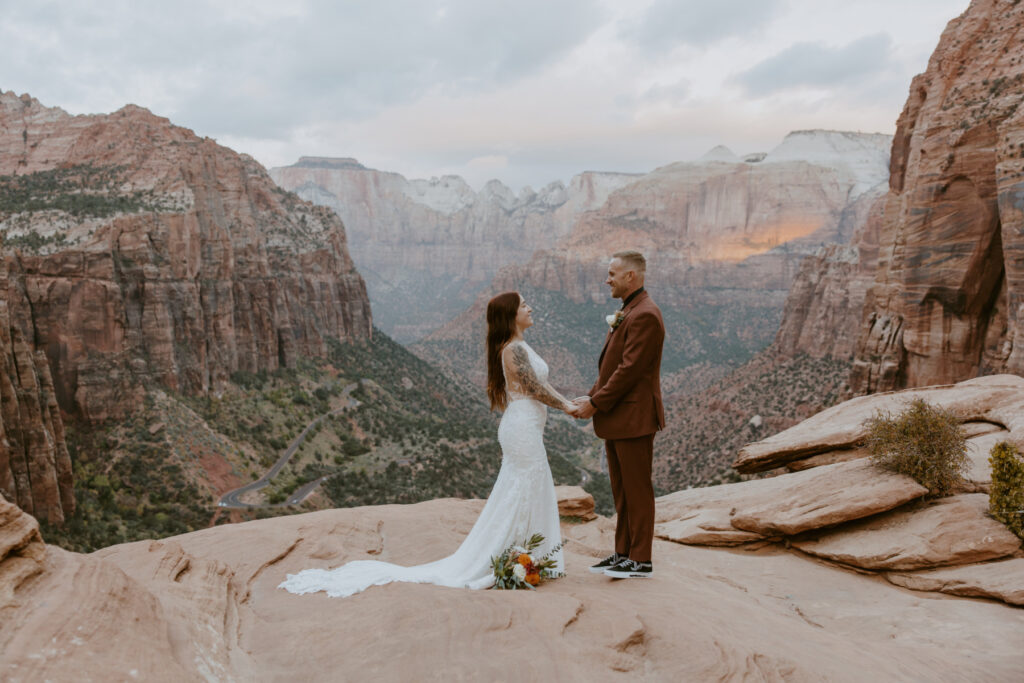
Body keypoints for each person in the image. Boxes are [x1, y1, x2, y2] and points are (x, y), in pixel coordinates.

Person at [279, 291, 575, 597]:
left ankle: (527, 556)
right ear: (511, 314)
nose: (531, 308)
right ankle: (513, 557)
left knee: (529, 485)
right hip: (521, 429)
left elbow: (542, 384)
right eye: (524, 305)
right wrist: (568, 408)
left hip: (527, 427)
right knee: (522, 488)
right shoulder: (512, 350)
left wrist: (570, 401)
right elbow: (534, 387)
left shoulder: (520, 346)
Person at [571, 250, 665, 579]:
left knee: (637, 489)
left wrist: (595, 404)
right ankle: (623, 554)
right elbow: (612, 366)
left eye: (612, 274)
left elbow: (628, 372)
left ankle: (640, 559)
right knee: (621, 491)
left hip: (634, 418)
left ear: (631, 277)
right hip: (619, 418)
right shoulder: (630, 309)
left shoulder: (645, 315)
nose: (606, 279)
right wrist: (592, 395)